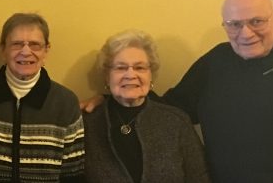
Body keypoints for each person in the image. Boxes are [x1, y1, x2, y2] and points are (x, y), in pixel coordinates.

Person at [82, 0, 273, 182]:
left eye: (256, 21)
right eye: (234, 24)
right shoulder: (214, 63)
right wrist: (111, 99)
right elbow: (165, 111)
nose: (245, 33)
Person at [0, 13, 84, 183]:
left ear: (46, 51)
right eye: (16, 44)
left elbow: (73, 175)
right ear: (3, 50)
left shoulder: (65, 102)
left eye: (35, 45)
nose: (26, 52)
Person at [82, 30, 209, 183]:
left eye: (140, 67)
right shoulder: (87, 124)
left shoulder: (176, 122)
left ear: (151, 75)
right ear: (107, 77)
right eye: (121, 67)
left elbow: (200, 178)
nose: (130, 75)